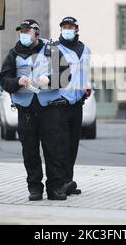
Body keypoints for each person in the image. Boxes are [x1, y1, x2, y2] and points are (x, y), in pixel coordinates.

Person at [0, 19, 68, 201]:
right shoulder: (14, 53)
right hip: (26, 111)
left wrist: (50, 78)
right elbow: (4, 80)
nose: (23, 34)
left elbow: (65, 76)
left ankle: (55, 189)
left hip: (49, 109)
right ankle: (35, 188)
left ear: (36, 33)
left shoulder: (52, 50)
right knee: (29, 152)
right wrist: (17, 82)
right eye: (21, 31)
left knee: (53, 151)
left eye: (27, 31)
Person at [55, 16, 90, 196]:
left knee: (73, 145)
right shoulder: (54, 49)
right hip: (60, 104)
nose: (67, 29)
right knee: (61, 145)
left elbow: (85, 74)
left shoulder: (85, 49)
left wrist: (87, 88)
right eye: (64, 27)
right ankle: (60, 182)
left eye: (70, 27)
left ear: (77, 29)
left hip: (77, 104)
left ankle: (69, 181)